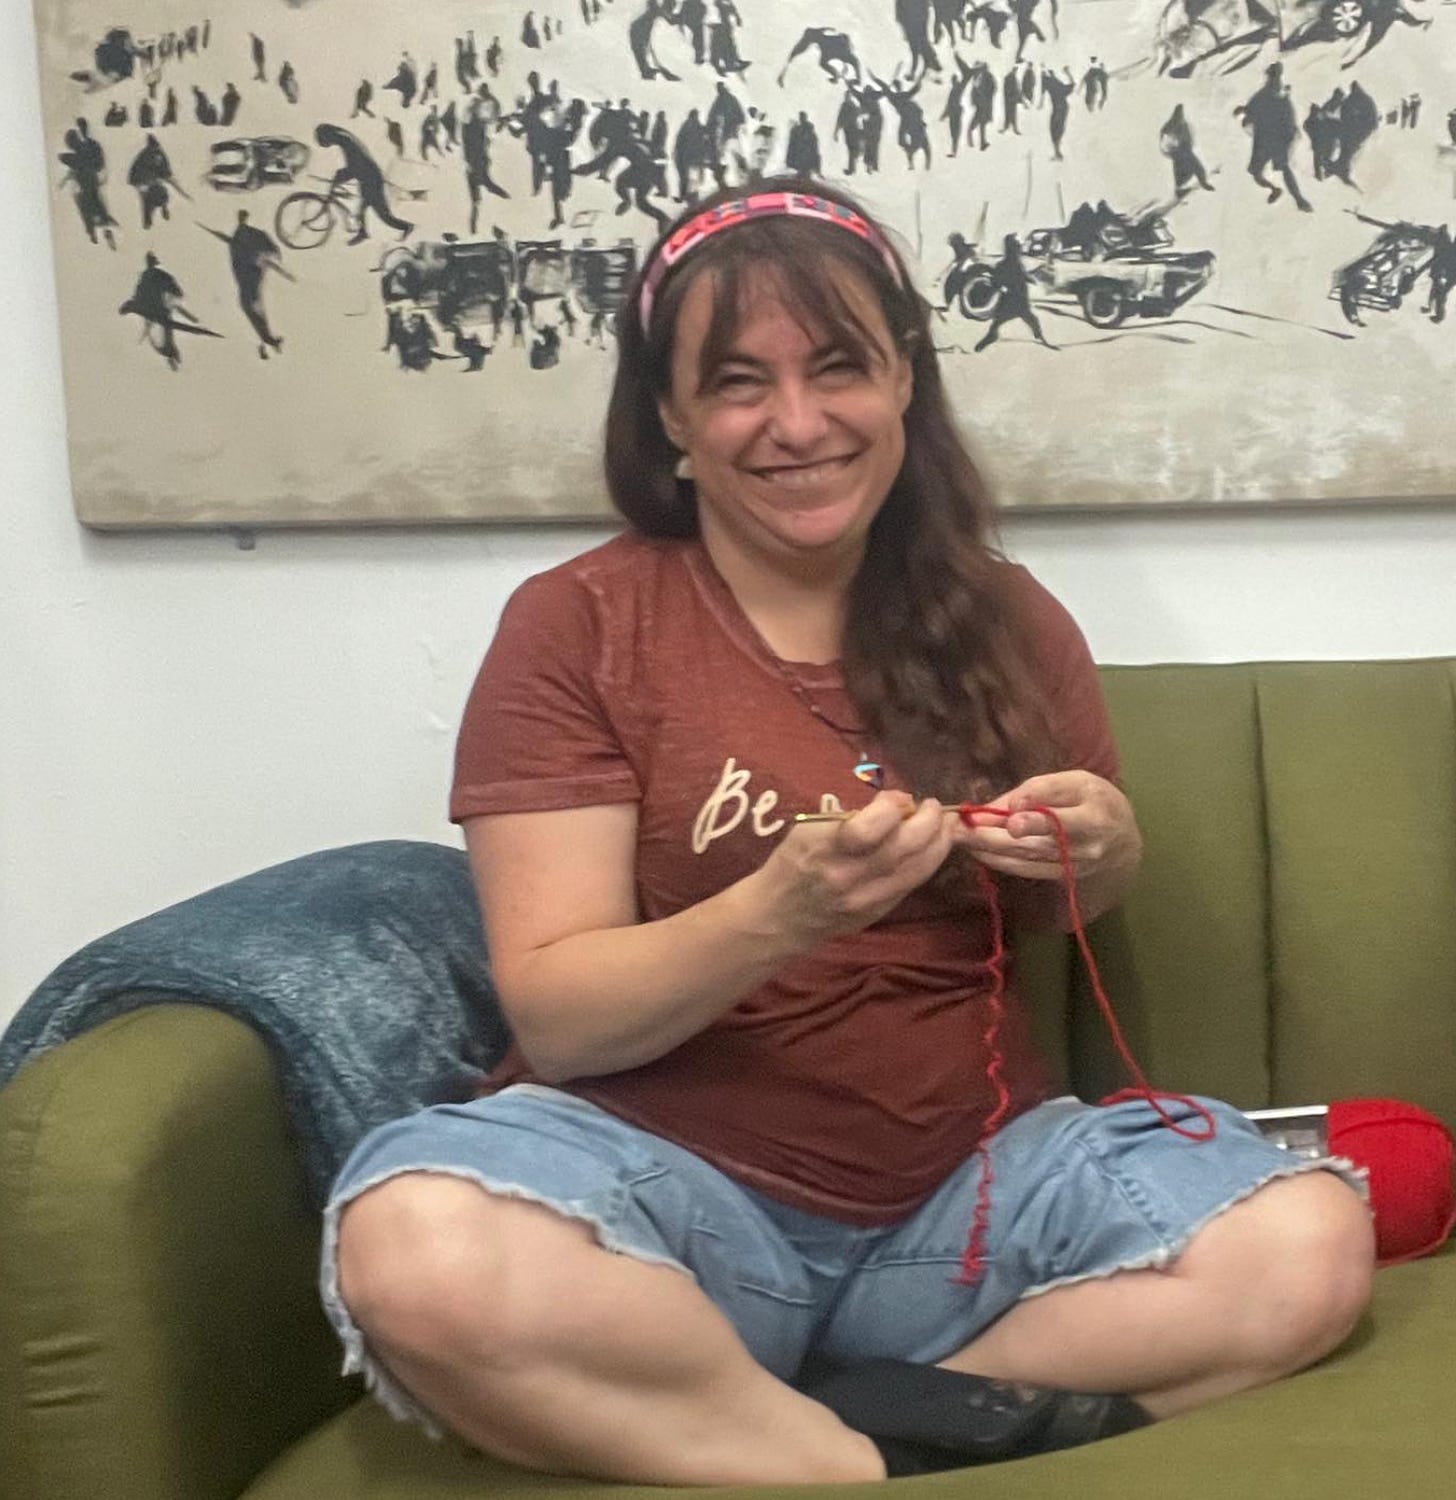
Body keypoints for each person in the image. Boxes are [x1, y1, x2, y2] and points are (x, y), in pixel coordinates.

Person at [321, 176, 1374, 1485]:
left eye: (839, 368)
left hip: (973, 1206)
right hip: (668, 1208)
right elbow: (566, 1019)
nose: (800, 422)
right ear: (670, 417)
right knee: (412, 1250)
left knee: (1310, 1238)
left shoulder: (1008, 620)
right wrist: (781, 912)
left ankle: (793, 1417)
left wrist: (1098, 856)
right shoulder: (579, 625)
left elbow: (1069, 904)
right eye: (739, 382)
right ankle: (850, 1463)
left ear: (906, 384)